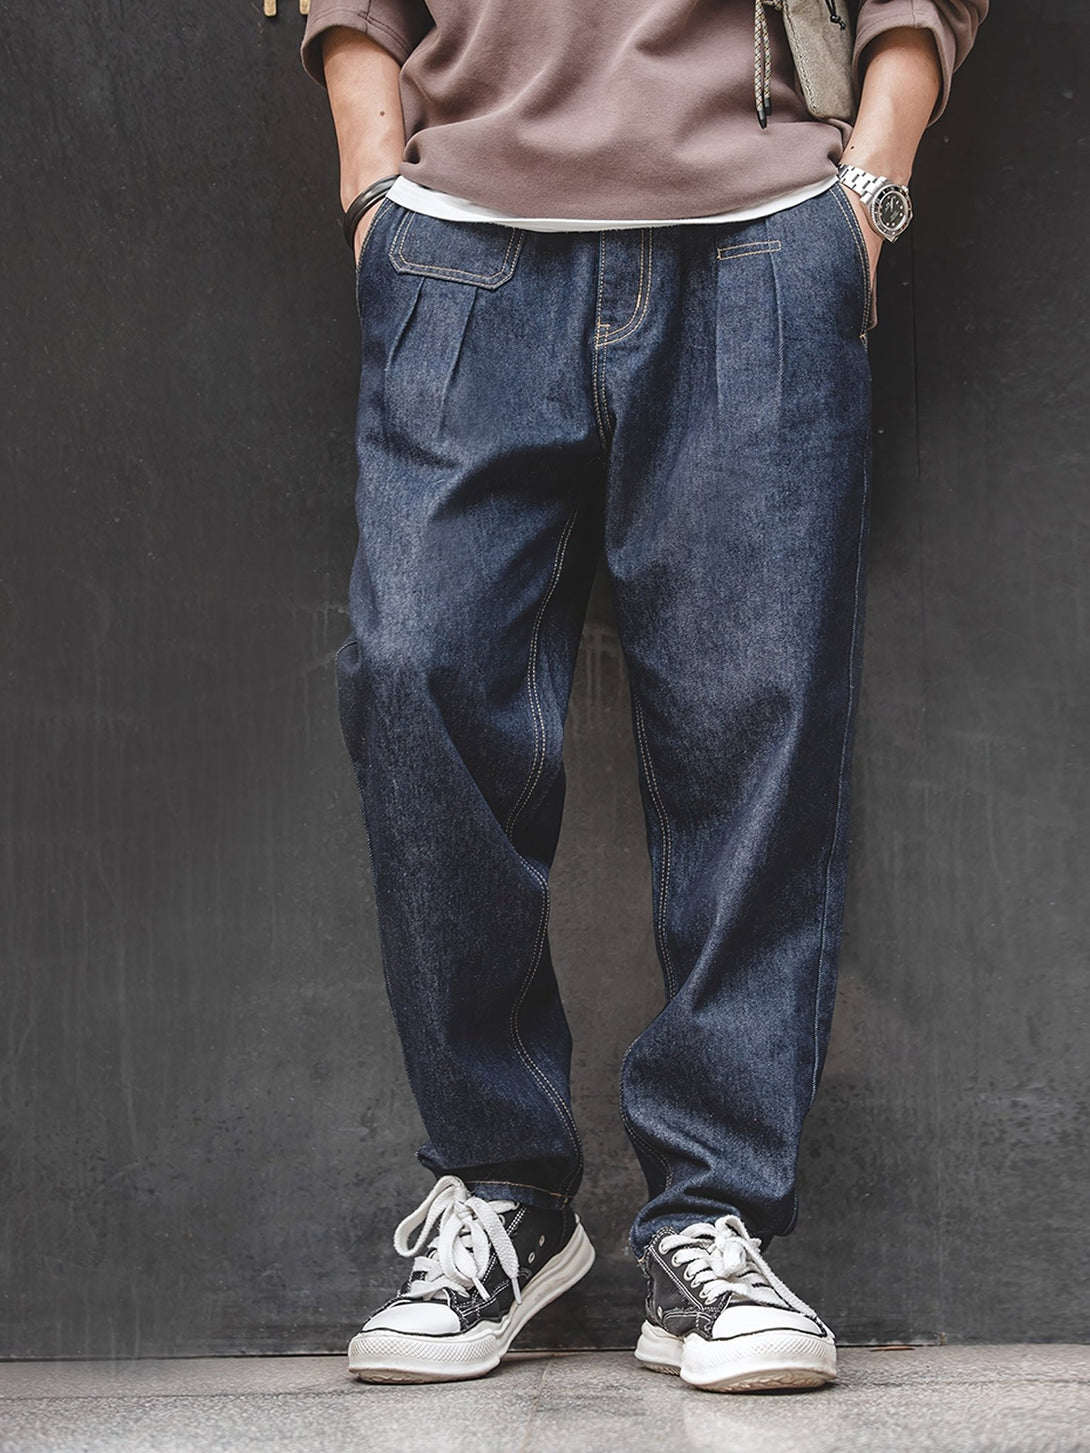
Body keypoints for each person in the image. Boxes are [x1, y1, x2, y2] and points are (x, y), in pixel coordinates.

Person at [300, 0, 986, 1393]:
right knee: (416, 673)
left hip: (760, 233)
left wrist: (867, 191)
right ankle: (501, 1189)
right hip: (463, 238)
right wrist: (372, 182)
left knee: (755, 713)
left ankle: (711, 1217)